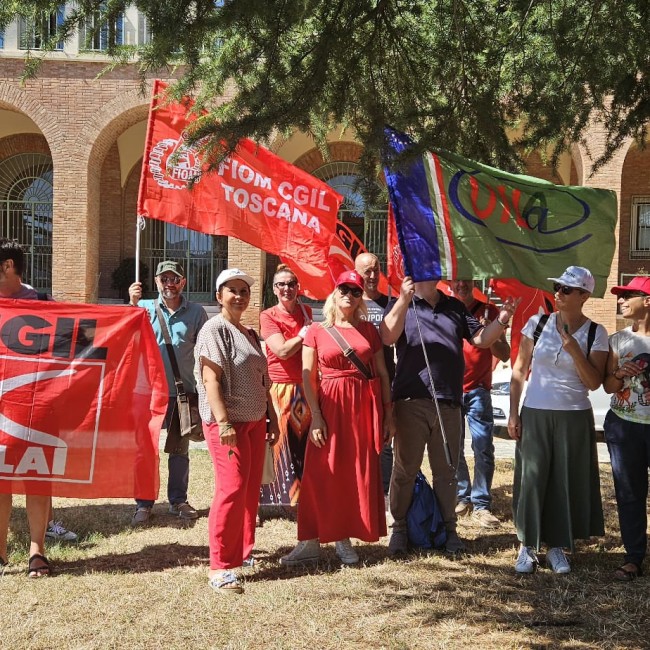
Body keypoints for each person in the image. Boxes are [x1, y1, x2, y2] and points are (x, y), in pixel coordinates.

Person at [381, 275, 518, 556]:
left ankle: (449, 530)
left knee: (447, 472)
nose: (429, 274)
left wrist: (502, 319)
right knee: (405, 470)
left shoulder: (454, 307)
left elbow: (480, 339)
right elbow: (387, 336)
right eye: (422, 268)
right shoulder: (400, 304)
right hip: (411, 401)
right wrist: (404, 300)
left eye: (433, 268)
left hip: (449, 402)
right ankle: (400, 529)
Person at [280, 270, 395, 566]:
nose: (349, 294)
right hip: (329, 405)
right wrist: (316, 417)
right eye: (344, 288)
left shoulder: (370, 330)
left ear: (361, 298)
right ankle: (310, 540)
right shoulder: (317, 330)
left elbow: (382, 374)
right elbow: (308, 379)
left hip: (362, 407)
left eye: (356, 291)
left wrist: (387, 415)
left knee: (353, 471)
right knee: (321, 472)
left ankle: (343, 537)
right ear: (335, 292)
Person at [508, 266, 607, 574]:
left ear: (584, 296)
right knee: (533, 480)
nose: (558, 293)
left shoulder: (596, 332)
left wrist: (575, 351)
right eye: (558, 287)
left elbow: (594, 382)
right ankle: (527, 546)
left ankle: (556, 547)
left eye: (567, 289)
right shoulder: (537, 324)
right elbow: (519, 370)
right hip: (536, 412)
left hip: (573, 416)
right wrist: (514, 412)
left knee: (565, 481)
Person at [196, 268, 278, 594]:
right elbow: (210, 379)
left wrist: (270, 417)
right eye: (232, 290)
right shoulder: (214, 330)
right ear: (219, 296)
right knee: (231, 488)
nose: (239, 296)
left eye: (244, 290)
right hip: (226, 424)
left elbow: (263, 381)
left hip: (256, 422)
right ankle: (220, 567)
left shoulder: (250, 333)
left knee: (248, 490)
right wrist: (223, 421)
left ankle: (243, 552)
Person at [0, 238, 78, 578]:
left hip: (38, 409)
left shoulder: (45, 304)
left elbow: (76, 347)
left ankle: (37, 552)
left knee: (37, 479)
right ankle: (0, 553)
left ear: (8, 266)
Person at [128, 260, 208, 525]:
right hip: (148, 392)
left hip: (181, 392)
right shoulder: (144, 308)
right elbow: (127, 335)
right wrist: (131, 304)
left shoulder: (196, 313)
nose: (169, 284)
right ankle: (144, 503)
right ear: (157, 283)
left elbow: (206, 350)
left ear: (182, 282)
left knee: (179, 449)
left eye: (174, 279)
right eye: (164, 279)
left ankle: (177, 500)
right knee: (145, 450)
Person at [451, 280, 510, 528]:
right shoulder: (446, 309)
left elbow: (504, 353)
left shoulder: (489, 312)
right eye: (457, 280)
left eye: (466, 279)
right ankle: (462, 497)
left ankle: (482, 504)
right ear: (450, 283)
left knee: (483, 446)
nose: (461, 284)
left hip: (478, 391)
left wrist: (492, 334)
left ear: (475, 282)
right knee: (453, 447)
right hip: (450, 390)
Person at [602, 276, 650, 581]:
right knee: (630, 492)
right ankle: (633, 558)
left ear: (647, 300)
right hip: (624, 427)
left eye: (627, 295)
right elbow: (607, 386)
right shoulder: (618, 340)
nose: (621, 300)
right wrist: (619, 373)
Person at [259, 264, 312, 507]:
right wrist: (304, 334)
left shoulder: (307, 311)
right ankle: (271, 501)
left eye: (291, 283)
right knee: (278, 445)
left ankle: (298, 499)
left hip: (305, 385)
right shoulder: (268, 316)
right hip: (279, 386)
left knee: (302, 445)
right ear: (274, 288)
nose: (287, 288)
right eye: (281, 284)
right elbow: (281, 350)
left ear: (297, 287)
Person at [354, 253, 396, 521]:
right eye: (366, 271)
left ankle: (384, 497)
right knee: (355, 442)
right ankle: (357, 494)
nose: (371, 276)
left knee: (384, 442)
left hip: (384, 381)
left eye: (376, 270)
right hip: (354, 386)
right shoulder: (348, 303)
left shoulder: (391, 304)